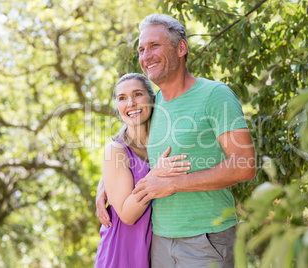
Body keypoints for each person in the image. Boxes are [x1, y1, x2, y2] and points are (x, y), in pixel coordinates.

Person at [96, 14, 256, 268]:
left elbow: (245, 165)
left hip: (207, 239)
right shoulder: (152, 104)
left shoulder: (215, 95)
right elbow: (125, 145)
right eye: (141, 49)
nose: (146, 55)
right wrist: (105, 183)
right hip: (159, 242)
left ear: (181, 48)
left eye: (154, 46)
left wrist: (175, 184)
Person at [95, 73, 191, 267]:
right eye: (122, 98)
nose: (130, 103)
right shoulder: (115, 150)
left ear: (152, 99)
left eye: (137, 94)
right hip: (122, 251)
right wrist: (155, 174)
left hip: (159, 250)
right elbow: (128, 216)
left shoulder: (166, 142)